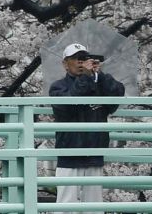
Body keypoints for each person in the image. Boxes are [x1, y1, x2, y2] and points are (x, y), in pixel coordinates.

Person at [49, 42, 125, 211]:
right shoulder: (58, 87)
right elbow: (70, 104)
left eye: (84, 58)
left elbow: (116, 98)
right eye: (76, 59)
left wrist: (100, 76)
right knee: (65, 206)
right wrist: (87, 78)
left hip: (94, 152)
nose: (80, 62)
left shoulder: (99, 82)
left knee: (94, 207)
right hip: (69, 153)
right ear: (65, 64)